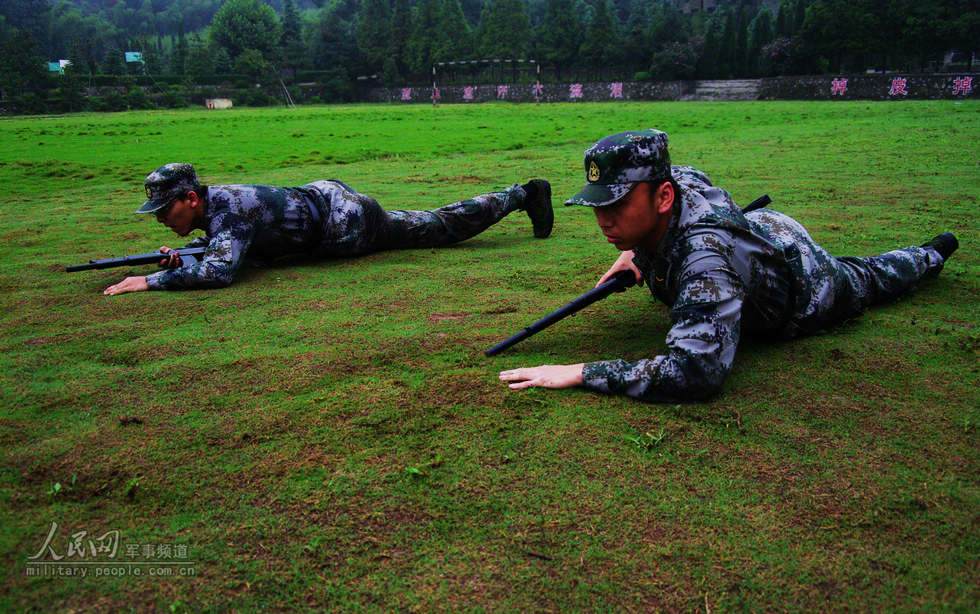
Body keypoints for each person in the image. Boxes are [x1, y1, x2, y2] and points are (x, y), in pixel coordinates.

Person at [499, 129, 959, 402]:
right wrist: (639, 252)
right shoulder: (671, 181)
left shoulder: (704, 263)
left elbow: (697, 372)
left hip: (802, 278)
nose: (605, 220)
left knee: (868, 278)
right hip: (753, 233)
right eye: (599, 204)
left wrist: (582, 372)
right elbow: (691, 175)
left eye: (618, 204)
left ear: (663, 198)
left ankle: (930, 254)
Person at [103, 163, 554, 295]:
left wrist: (150, 280)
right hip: (328, 202)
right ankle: (519, 195)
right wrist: (188, 254)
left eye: (166, 210)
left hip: (345, 223)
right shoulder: (218, 207)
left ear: (191, 199)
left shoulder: (226, 212)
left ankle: (521, 194)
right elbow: (227, 246)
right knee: (431, 223)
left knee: (435, 226)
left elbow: (221, 271)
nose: (162, 218)